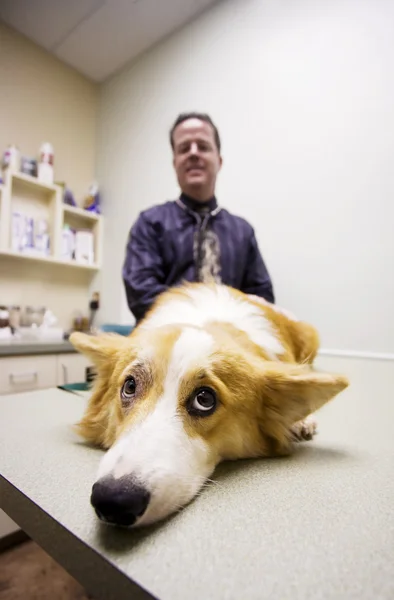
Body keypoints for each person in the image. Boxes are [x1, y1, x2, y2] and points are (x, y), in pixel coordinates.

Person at [122, 112, 275, 322]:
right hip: (163, 347)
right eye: (184, 148)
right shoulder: (149, 223)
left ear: (219, 161)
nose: (193, 153)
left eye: (203, 146)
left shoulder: (243, 231)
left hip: (231, 348)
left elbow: (262, 299)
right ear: (174, 162)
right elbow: (141, 296)